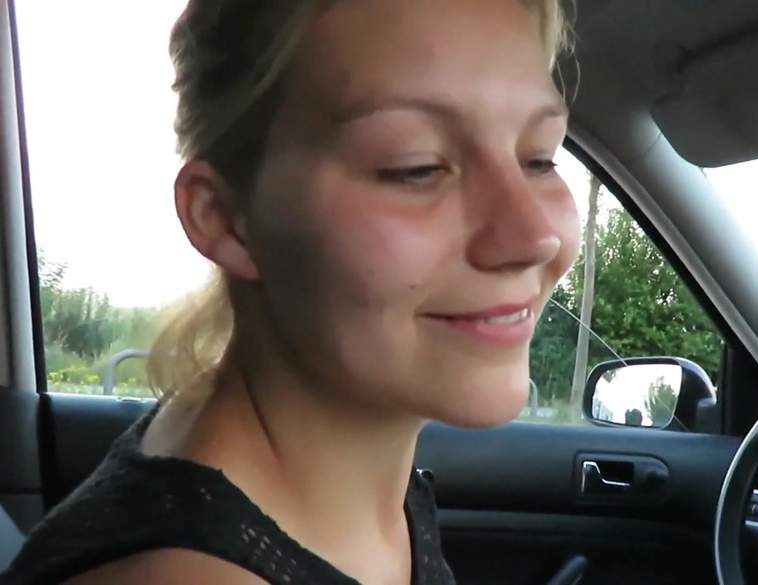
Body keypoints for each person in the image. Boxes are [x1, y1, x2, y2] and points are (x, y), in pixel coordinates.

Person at [4, 0, 579, 583]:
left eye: (539, 159)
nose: (533, 236)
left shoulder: (325, 488)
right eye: (416, 167)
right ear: (225, 217)